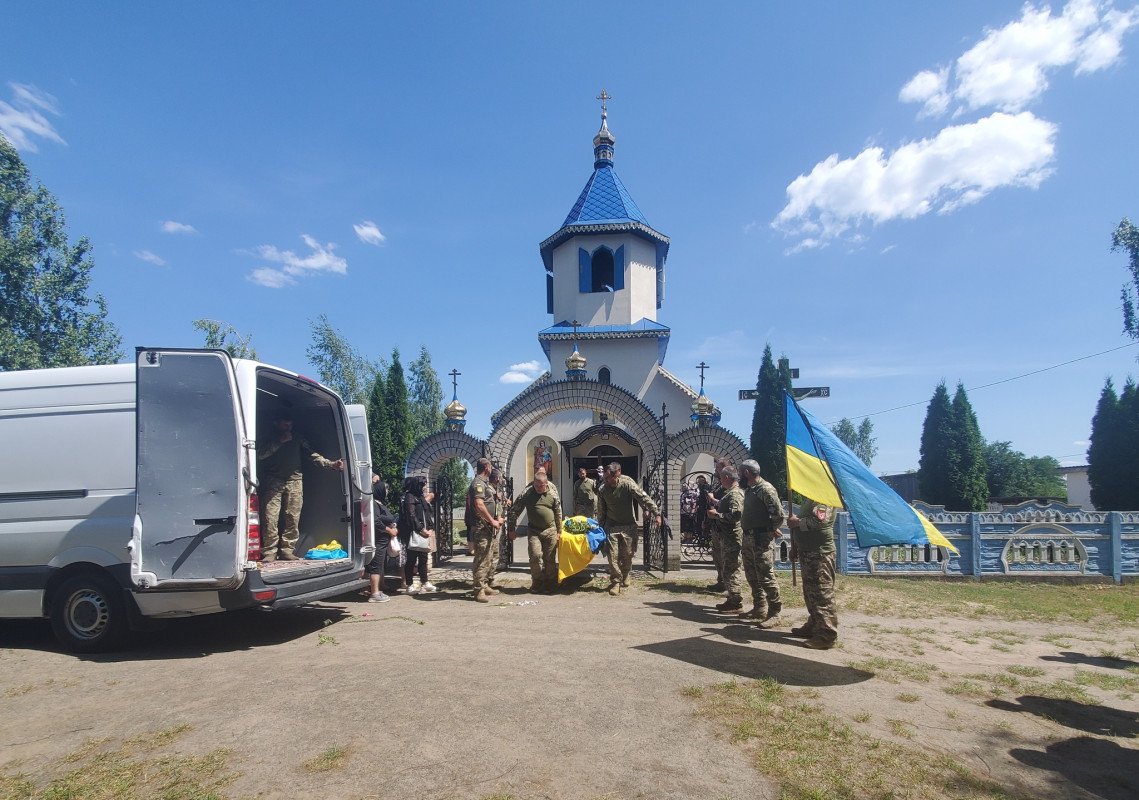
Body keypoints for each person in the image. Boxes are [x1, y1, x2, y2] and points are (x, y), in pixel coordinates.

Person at [257, 413, 344, 562]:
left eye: (290, 424)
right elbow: (260, 454)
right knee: (270, 517)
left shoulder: (297, 437)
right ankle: (270, 552)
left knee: (293, 517)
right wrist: (279, 442)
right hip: (274, 480)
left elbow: (312, 454)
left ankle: (287, 550)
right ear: (276, 424)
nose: (288, 427)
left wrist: (331, 464)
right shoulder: (268, 437)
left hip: (295, 480)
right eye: (285, 424)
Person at [596, 462, 660, 596]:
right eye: (604, 478)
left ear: (617, 474)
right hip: (611, 526)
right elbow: (601, 510)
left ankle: (626, 574)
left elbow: (643, 497)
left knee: (628, 554)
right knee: (612, 556)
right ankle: (615, 582)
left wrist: (656, 513)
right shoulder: (602, 489)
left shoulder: (627, 484)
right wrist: (600, 527)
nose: (606, 480)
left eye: (608, 478)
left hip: (628, 525)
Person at [738, 459, 787, 625]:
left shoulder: (765, 489)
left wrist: (770, 528)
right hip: (749, 538)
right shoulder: (751, 490)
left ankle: (774, 613)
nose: (739, 477)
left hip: (761, 539)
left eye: (740, 473)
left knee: (765, 575)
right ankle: (759, 608)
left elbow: (778, 514)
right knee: (752, 575)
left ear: (747, 473)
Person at [788, 499, 839, 649]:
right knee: (811, 593)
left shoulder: (824, 498)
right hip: (808, 551)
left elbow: (819, 521)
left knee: (822, 594)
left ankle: (826, 635)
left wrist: (797, 522)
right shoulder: (810, 499)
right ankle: (815, 624)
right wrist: (795, 547)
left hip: (820, 553)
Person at [508, 467, 564, 593]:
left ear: (546, 484)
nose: (538, 488)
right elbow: (515, 510)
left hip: (550, 530)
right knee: (535, 556)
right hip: (534, 530)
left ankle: (551, 583)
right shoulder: (528, 493)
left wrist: (559, 531)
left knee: (549, 558)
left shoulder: (552, 492)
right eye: (536, 485)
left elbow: (558, 512)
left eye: (541, 486)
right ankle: (537, 582)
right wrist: (511, 529)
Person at [705, 464, 745, 612]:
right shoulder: (730, 493)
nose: (720, 480)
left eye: (721, 477)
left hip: (732, 538)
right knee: (728, 569)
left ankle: (735, 602)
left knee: (731, 570)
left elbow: (736, 515)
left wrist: (717, 515)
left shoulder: (734, 494)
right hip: (727, 536)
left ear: (727, 477)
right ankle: (732, 599)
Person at [467, 458, 505, 603]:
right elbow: (479, 505)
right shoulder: (478, 483)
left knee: (488, 557)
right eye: (490, 466)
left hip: (488, 528)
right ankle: (478, 590)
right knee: (481, 559)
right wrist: (492, 521)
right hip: (482, 527)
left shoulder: (485, 483)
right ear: (487, 467)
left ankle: (485, 585)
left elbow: (490, 502)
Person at [399, 476, 437, 594]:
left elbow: (427, 513)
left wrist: (430, 528)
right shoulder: (410, 496)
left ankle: (425, 582)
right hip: (413, 532)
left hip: (424, 532)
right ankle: (409, 584)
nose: (424, 487)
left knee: (423, 558)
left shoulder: (420, 497)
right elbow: (411, 515)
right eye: (422, 485)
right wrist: (421, 529)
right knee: (411, 559)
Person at [365, 473, 399, 602]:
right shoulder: (373, 504)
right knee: (376, 565)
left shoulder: (379, 503)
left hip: (383, 541)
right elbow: (376, 522)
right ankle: (374, 594)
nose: (387, 491)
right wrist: (389, 530)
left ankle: (378, 589)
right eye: (386, 489)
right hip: (378, 540)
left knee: (379, 565)